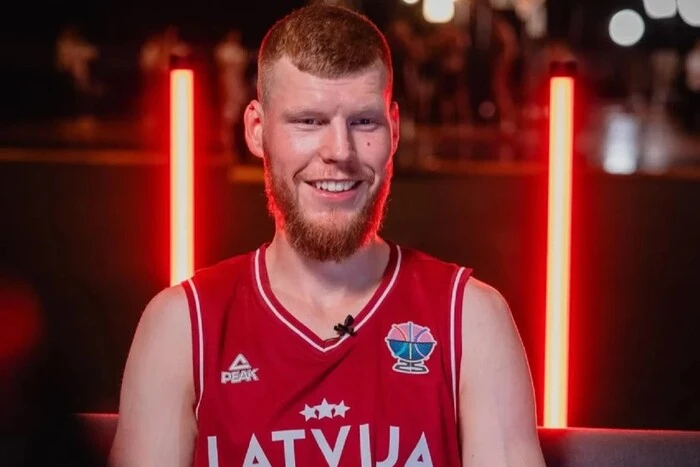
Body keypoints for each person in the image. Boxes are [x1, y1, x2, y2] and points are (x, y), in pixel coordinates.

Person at [110, 5, 545, 466]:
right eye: (309, 121)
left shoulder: (470, 320)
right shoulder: (182, 327)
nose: (339, 151)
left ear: (394, 130)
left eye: (363, 122)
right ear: (256, 130)